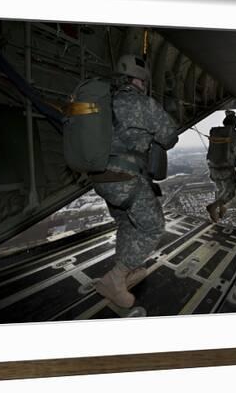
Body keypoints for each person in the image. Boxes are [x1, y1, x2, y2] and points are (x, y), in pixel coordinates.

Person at [90, 54, 179, 308]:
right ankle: (115, 279)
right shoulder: (144, 104)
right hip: (125, 179)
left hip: (101, 179)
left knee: (128, 223)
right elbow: (170, 138)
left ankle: (126, 270)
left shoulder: (106, 102)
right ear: (140, 81)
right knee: (153, 226)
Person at [206, 110, 236, 223]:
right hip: (226, 168)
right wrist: (235, 152)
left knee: (221, 189)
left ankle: (221, 210)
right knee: (230, 191)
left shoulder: (214, 131)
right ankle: (213, 207)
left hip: (212, 167)